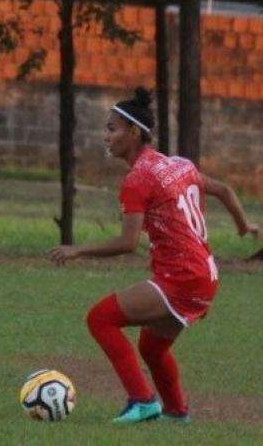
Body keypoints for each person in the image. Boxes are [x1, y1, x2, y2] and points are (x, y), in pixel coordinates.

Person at [49, 88, 258, 424]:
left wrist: (78, 250)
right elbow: (224, 190)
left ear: (134, 132)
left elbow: (127, 243)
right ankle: (176, 413)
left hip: (183, 276)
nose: (106, 137)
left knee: (100, 318)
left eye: (112, 129)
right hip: (206, 275)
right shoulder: (177, 164)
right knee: (152, 348)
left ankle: (142, 401)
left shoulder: (138, 179)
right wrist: (243, 225)